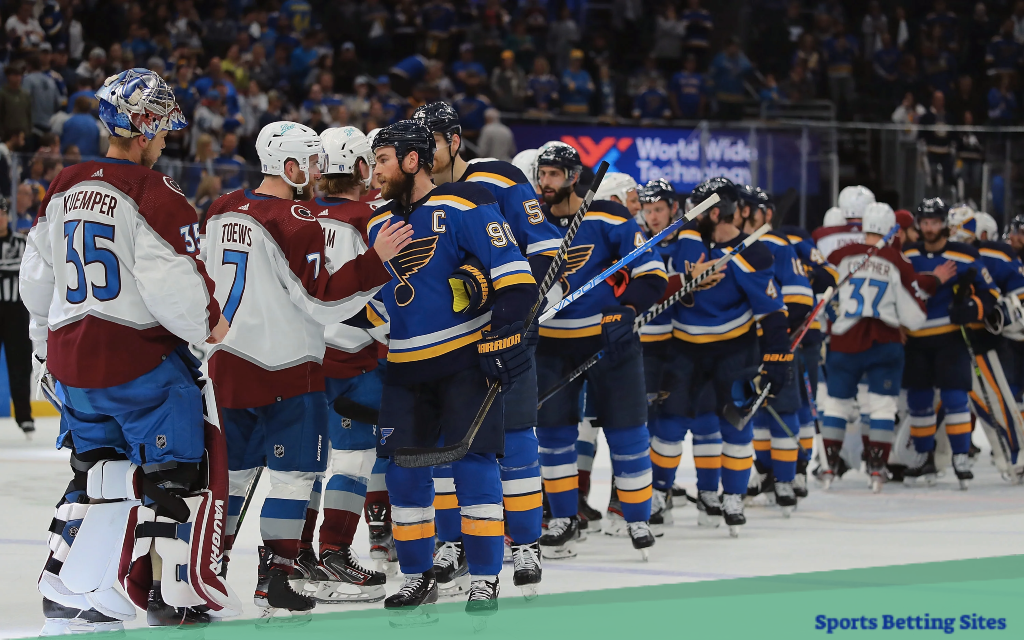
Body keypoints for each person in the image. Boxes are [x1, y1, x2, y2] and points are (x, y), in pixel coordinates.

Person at [19, 68, 239, 631]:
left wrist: (45, 346)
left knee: (95, 474)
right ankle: (169, 593)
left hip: (73, 362)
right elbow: (176, 286)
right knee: (175, 476)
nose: (169, 135)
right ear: (144, 126)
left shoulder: (65, 182)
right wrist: (211, 327)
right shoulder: (155, 193)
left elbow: (36, 277)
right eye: (163, 124)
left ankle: (65, 586)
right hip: (139, 365)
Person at [200, 121, 411, 619]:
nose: (319, 171)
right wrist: (376, 263)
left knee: (231, 478)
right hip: (286, 368)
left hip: (227, 362)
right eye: (311, 161)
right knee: (295, 477)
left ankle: (207, 570)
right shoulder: (298, 219)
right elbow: (323, 302)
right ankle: (277, 573)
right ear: (290, 167)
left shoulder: (221, 206)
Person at [358, 120, 537, 621]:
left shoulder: (467, 204)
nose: (375, 173)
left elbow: (517, 281)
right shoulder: (374, 225)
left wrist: (501, 335)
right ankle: (416, 575)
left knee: (473, 467)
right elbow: (374, 306)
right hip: (404, 369)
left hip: (463, 362)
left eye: (383, 161)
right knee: (403, 475)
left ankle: (484, 580)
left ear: (413, 161)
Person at [413, 102, 561, 599]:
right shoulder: (418, 192)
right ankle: (453, 542)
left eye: (430, 141)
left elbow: (542, 245)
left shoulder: (499, 177)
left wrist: (523, 305)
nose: (422, 153)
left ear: (454, 140)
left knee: (515, 435)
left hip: (505, 325)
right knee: (446, 444)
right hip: (447, 337)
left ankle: (524, 543)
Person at [534, 144, 665, 557]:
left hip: (610, 342)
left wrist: (626, 310)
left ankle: (637, 517)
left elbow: (653, 275)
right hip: (552, 346)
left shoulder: (611, 216)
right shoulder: (530, 221)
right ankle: (562, 517)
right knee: (553, 435)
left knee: (627, 432)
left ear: (574, 177)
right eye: (542, 174)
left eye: (555, 175)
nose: (545, 183)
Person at [295, 126, 392, 603]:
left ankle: (294, 557)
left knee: (306, 465)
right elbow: (373, 298)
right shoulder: (370, 217)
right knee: (354, 458)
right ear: (361, 167)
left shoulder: (302, 215)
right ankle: (334, 549)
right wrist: (393, 336)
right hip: (355, 360)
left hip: (303, 358)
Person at [658, 177, 784, 537]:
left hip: (734, 350)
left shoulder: (754, 254)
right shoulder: (685, 241)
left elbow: (772, 312)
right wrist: (684, 277)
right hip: (683, 348)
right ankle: (659, 494)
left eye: (695, 210)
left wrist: (778, 357)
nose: (687, 217)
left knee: (735, 424)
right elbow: (659, 277)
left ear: (714, 212)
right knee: (669, 425)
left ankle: (733, 497)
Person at [823, 205, 931, 492]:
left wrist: (834, 321)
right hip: (885, 343)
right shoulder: (898, 261)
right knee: (882, 406)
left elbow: (820, 296)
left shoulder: (839, 256)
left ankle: (829, 465)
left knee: (836, 403)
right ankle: (876, 468)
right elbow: (916, 317)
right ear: (891, 229)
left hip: (844, 340)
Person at [637, 179, 722, 528]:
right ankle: (659, 492)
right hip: (643, 347)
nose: (654, 216)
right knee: (647, 426)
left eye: (659, 209)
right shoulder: (637, 239)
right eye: (648, 209)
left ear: (673, 208)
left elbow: (687, 290)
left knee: (691, 421)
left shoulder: (689, 239)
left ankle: (704, 492)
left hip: (680, 347)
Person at [901, 198, 997, 486]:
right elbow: (895, 291)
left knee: (955, 398)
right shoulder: (906, 254)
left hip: (950, 339)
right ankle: (923, 455)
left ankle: (960, 456)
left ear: (945, 224)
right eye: (925, 222)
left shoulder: (965, 255)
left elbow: (990, 293)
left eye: (935, 222)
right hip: (915, 340)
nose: (929, 228)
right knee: (918, 402)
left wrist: (972, 309)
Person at [733, 186, 813, 511]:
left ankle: (786, 479)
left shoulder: (778, 244)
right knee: (757, 412)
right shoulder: (731, 245)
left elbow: (799, 299)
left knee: (784, 407)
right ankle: (766, 472)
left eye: (745, 208)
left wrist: (774, 332)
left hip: (774, 344)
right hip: (741, 346)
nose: (739, 214)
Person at [0, 196, 33, 436]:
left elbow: (26, 271)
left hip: (16, 312)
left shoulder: (22, 242)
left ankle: (24, 417)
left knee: (20, 365)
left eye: (2, 212)